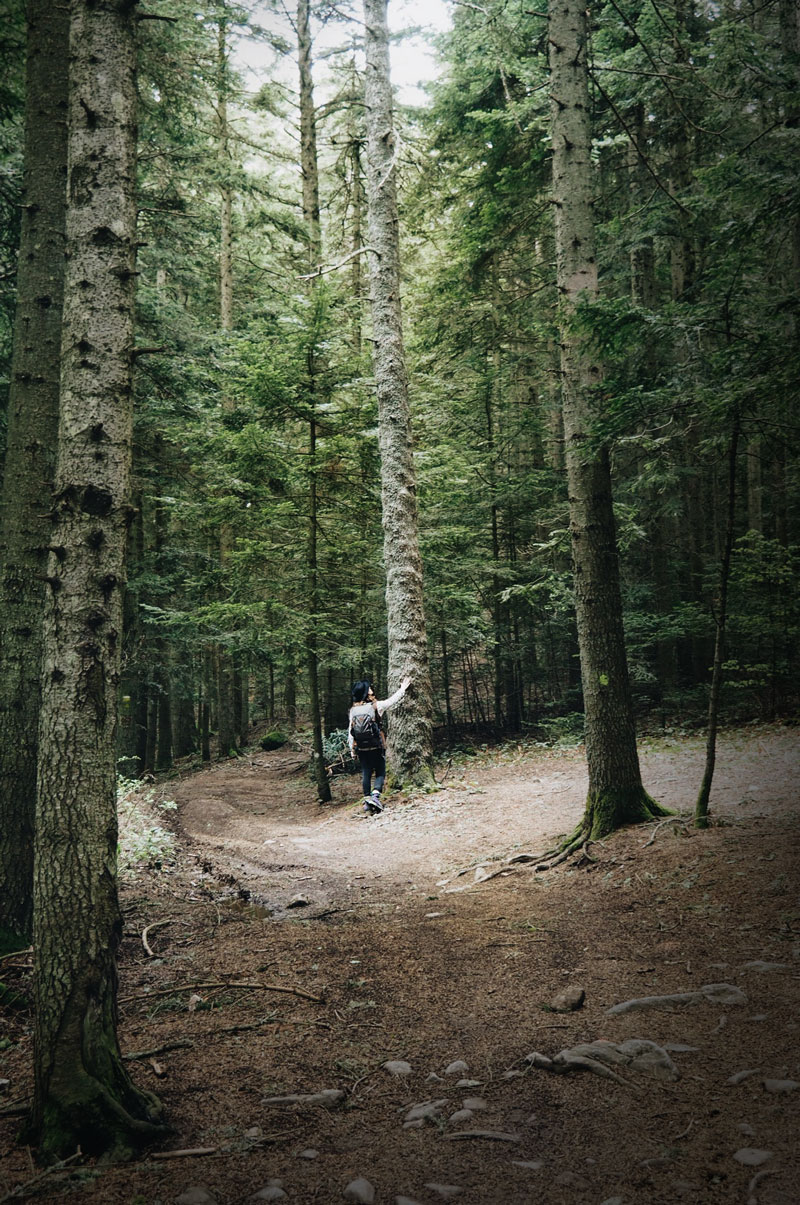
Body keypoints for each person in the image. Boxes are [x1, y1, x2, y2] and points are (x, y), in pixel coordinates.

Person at [348, 675, 411, 814]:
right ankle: (375, 796)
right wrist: (403, 689)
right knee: (380, 771)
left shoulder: (353, 711)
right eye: (369, 688)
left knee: (366, 772)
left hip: (361, 747)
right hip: (376, 745)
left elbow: (350, 731)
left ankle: (367, 800)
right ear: (365, 693)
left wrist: (351, 749)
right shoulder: (376, 706)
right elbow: (392, 701)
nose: (371, 689)